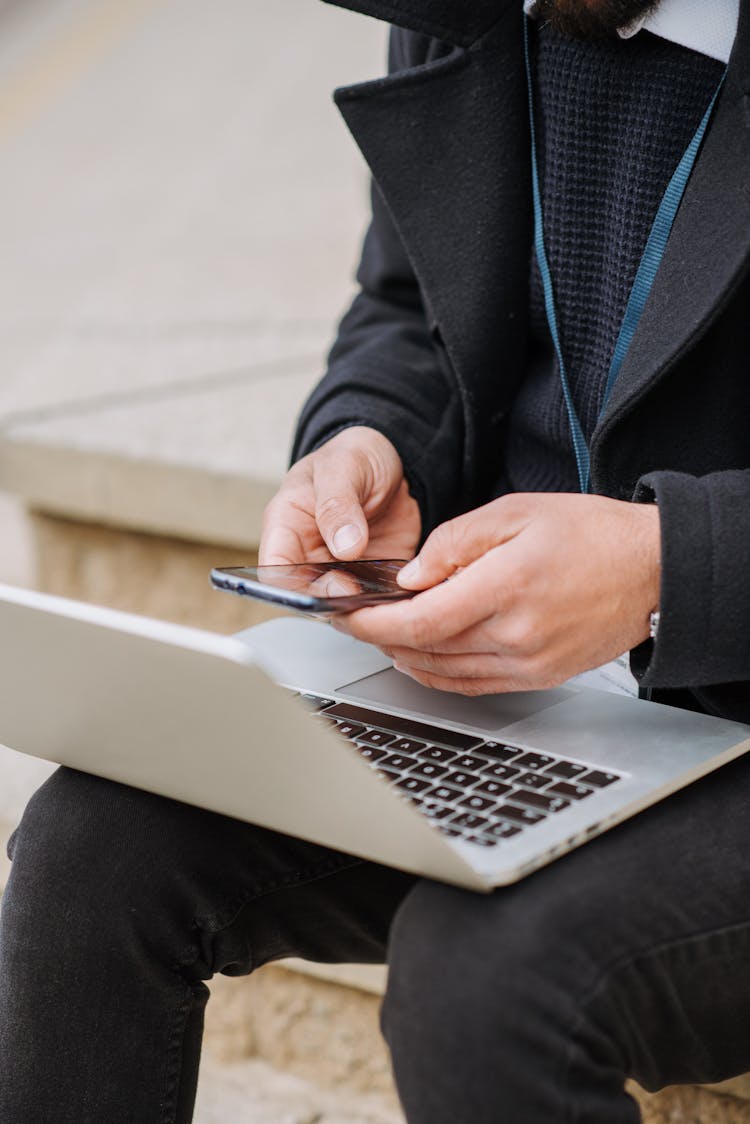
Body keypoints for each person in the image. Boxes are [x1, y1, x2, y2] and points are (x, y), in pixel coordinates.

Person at [2, 0, 750, 1120]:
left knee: (487, 977)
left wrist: (668, 564)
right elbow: (406, 303)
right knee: (87, 850)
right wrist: (367, 438)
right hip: (538, 697)